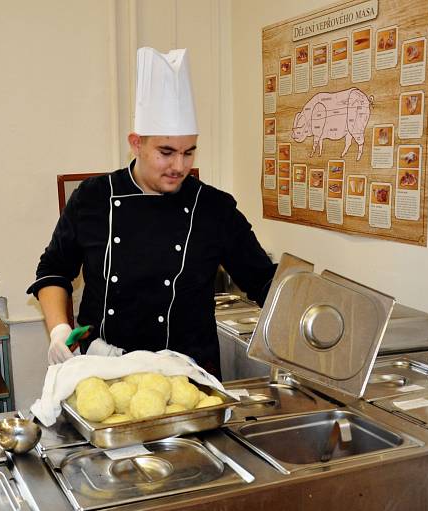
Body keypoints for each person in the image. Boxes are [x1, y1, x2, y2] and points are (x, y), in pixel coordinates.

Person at [27, 47, 276, 378]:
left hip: (188, 378)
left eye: (189, 152)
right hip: (105, 372)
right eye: (166, 152)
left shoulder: (214, 209)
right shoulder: (93, 198)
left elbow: (263, 281)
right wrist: (59, 328)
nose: (179, 166)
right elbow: (53, 271)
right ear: (136, 143)